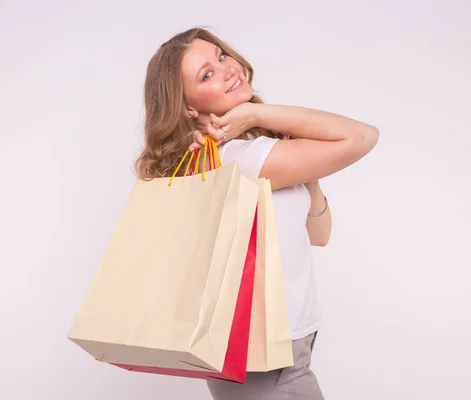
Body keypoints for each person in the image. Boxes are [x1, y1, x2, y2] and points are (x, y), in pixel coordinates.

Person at [134, 27, 379, 400]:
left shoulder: (243, 153)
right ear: (189, 107)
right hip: (269, 361)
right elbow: (363, 136)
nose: (227, 68)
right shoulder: (241, 159)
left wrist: (306, 175)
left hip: (274, 351)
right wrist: (257, 113)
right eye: (206, 74)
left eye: (220, 56)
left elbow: (319, 234)